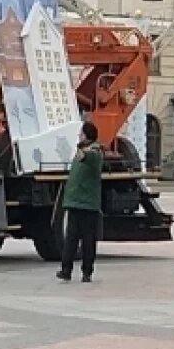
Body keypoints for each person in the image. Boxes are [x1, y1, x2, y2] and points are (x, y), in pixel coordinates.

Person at [57, 121, 103, 283]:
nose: (78, 135)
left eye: (81, 133)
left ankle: (87, 271)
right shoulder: (81, 152)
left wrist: (84, 153)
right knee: (71, 239)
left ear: (86, 135)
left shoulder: (94, 152)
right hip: (75, 203)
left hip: (87, 205)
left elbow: (90, 157)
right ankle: (66, 270)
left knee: (88, 240)